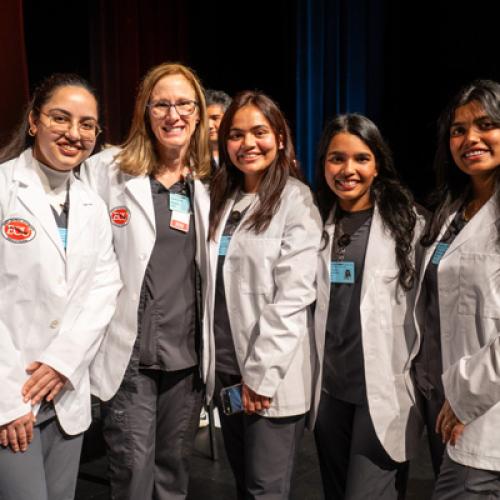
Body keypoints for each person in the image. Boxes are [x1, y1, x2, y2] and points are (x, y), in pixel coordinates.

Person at [79, 62, 211, 500]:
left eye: (184, 104)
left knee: (173, 470)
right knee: (132, 471)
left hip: (187, 356)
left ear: (198, 112)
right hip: (129, 352)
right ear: (145, 111)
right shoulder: (107, 170)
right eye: (162, 104)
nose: (173, 115)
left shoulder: (209, 181)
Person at [0, 73, 121, 500]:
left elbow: (104, 290)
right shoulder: (2, 189)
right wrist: (7, 399)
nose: (74, 134)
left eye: (87, 124)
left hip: (65, 395)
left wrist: (62, 363)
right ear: (33, 121)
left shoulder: (92, 204)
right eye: (60, 118)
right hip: (10, 398)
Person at [207, 90, 322, 499]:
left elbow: (293, 297)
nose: (247, 144)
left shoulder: (296, 201)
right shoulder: (220, 198)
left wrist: (260, 375)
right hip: (225, 370)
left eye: (259, 132)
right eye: (236, 134)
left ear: (279, 137)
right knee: (244, 484)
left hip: (268, 376)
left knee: (264, 489)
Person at [312, 114, 424, 499]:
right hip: (329, 391)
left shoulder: (408, 224)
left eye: (361, 158)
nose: (348, 170)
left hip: (382, 391)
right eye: (336, 158)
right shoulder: (316, 222)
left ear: (378, 164)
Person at [415, 80, 500, 499]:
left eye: (486, 125)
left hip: (483, 409)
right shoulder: (453, 209)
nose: (470, 139)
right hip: (441, 399)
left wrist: (467, 395)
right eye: (458, 129)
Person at [205, 89, 232, 167]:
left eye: (215, 118)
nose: (209, 125)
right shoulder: (191, 158)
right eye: (204, 119)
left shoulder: (238, 154)